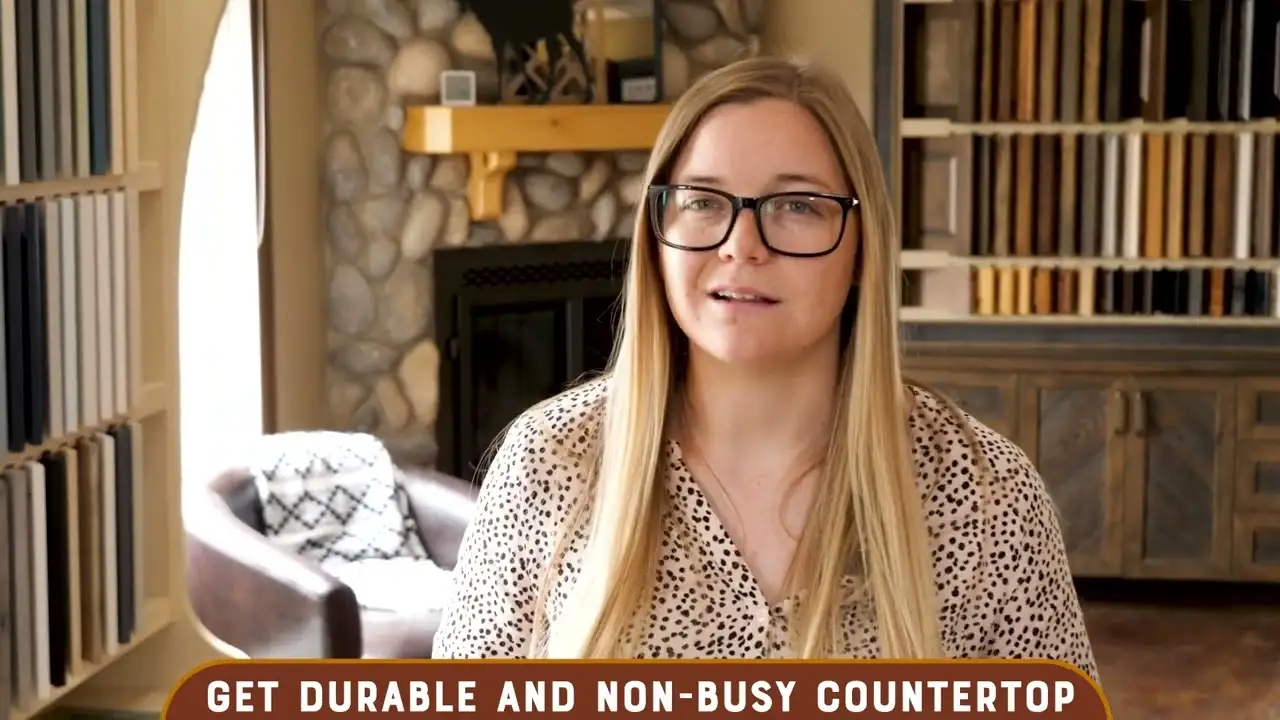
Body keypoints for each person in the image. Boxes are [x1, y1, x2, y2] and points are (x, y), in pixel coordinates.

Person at [430, 56, 1098, 679]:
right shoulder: (550, 463)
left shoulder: (984, 494)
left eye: (798, 206)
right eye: (702, 201)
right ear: (656, 235)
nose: (741, 246)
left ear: (863, 248)